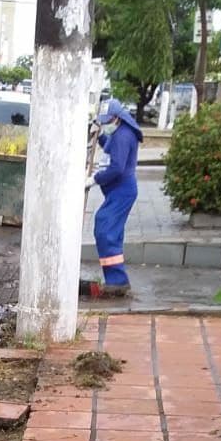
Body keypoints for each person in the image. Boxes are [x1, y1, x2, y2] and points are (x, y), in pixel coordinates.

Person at [82, 98, 142, 299]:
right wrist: (98, 138)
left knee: (105, 228)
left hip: (122, 190)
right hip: (118, 191)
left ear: (117, 118)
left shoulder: (124, 135)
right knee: (110, 232)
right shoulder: (119, 133)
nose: (106, 124)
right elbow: (111, 148)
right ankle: (115, 281)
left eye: (108, 121)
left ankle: (117, 281)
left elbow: (116, 167)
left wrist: (94, 179)